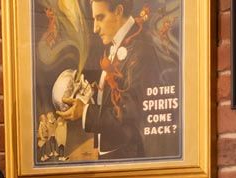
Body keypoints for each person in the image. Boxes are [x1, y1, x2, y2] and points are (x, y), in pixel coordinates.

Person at [56, 0, 167, 160]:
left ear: (118, 11)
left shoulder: (141, 50)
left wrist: (85, 111)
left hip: (128, 158)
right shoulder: (116, 43)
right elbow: (114, 97)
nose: (95, 28)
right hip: (113, 153)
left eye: (100, 18)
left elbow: (130, 114)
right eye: (94, 19)